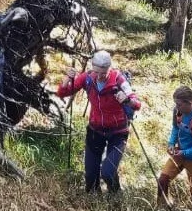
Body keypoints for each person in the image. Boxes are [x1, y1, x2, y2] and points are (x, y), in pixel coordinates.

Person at [58, 50, 141, 193]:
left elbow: (137, 103)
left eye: (104, 73)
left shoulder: (119, 79)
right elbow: (62, 93)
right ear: (92, 68)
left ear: (109, 68)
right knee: (90, 179)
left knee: (107, 173)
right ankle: (93, 203)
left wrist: (127, 99)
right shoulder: (87, 78)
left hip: (118, 132)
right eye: (97, 72)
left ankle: (115, 195)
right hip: (95, 129)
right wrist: (67, 78)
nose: (100, 76)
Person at [158, 86, 192, 211]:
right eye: (176, 104)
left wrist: (185, 153)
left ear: (190, 103)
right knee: (163, 180)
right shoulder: (178, 112)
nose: (177, 107)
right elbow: (176, 128)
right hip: (179, 154)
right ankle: (163, 210)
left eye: (179, 104)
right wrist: (171, 143)